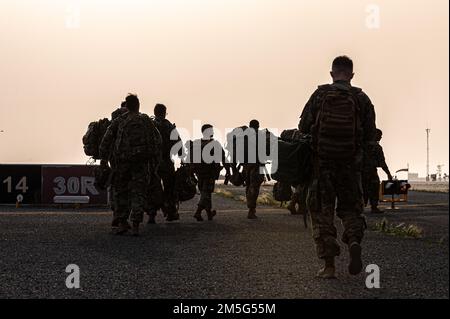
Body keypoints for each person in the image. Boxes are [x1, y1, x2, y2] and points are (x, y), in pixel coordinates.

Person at [298, 56, 377, 279]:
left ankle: (329, 266)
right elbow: (371, 136)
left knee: (323, 214)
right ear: (352, 75)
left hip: (322, 167)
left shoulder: (320, 95)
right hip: (351, 167)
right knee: (351, 209)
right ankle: (353, 240)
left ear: (332, 74)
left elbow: (304, 127)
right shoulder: (361, 98)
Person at [100, 94, 161, 236]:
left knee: (121, 192)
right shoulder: (146, 120)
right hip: (141, 163)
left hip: (123, 163)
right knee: (138, 193)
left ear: (127, 106)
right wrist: (154, 162)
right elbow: (158, 141)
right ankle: (135, 226)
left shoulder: (120, 120)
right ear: (138, 105)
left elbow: (107, 138)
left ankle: (122, 223)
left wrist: (103, 158)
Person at [146, 103, 183, 224]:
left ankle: (152, 214)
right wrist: (182, 159)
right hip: (166, 161)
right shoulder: (169, 126)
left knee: (152, 188)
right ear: (164, 112)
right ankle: (170, 212)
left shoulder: (149, 125)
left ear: (155, 112)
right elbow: (178, 144)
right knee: (169, 188)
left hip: (152, 163)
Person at [188, 124, 231, 221]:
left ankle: (209, 214)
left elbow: (190, 160)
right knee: (206, 192)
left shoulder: (196, 143)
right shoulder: (215, 144)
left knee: (205, 192)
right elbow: (224, 158)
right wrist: (228, 171)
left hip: (199, 172)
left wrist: (191, 173)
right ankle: (198, 212)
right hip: (209, 172)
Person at [363, 129, 392, 213]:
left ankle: (362, 206)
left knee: (363, 188)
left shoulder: (362, 145)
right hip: (370, 171)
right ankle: (374, 207)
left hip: (362, 171)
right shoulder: (376, 147)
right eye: (379, 135)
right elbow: (382, 162)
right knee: (374, 188)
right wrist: (388, 174)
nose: (380, 137)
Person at [242, 120, 266, 219]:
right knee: (254, 188)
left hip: (246, 166)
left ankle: (250, 207)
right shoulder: (260, 136)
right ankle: (251, 210)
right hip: (257, 166)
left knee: (248, 186)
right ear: (258, 126)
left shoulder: (244, 137)